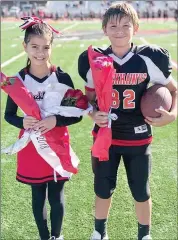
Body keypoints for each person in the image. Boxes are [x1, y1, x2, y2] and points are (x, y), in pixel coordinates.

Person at [78, 2, 177, 240]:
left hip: (138, 136)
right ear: (104, 29)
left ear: (136, 27)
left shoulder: (150, 58)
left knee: (141, 191)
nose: (119, 30)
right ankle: (99, 232)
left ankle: (144, 234)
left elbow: (175, 91)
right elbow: (87, 99)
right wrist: (92, 113)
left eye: (125, 25)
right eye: (113, 25)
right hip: (105, 137)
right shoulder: (94, 59)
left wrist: (173, 115)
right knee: (102, 188)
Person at [4, 17, 82, 240]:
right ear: (25, 47)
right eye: (34, 47)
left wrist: (56, 120)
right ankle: (44, 236)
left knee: (57, 196)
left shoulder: (62, 78)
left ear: (52, 47)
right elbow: (9, 115)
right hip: (32, 148)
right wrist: (22, 122)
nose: (40, 53)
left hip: (57, 146)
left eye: (46, 47)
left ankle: (57, 236)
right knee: (38, 196)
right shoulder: (16, 80)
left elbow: (76, 115)